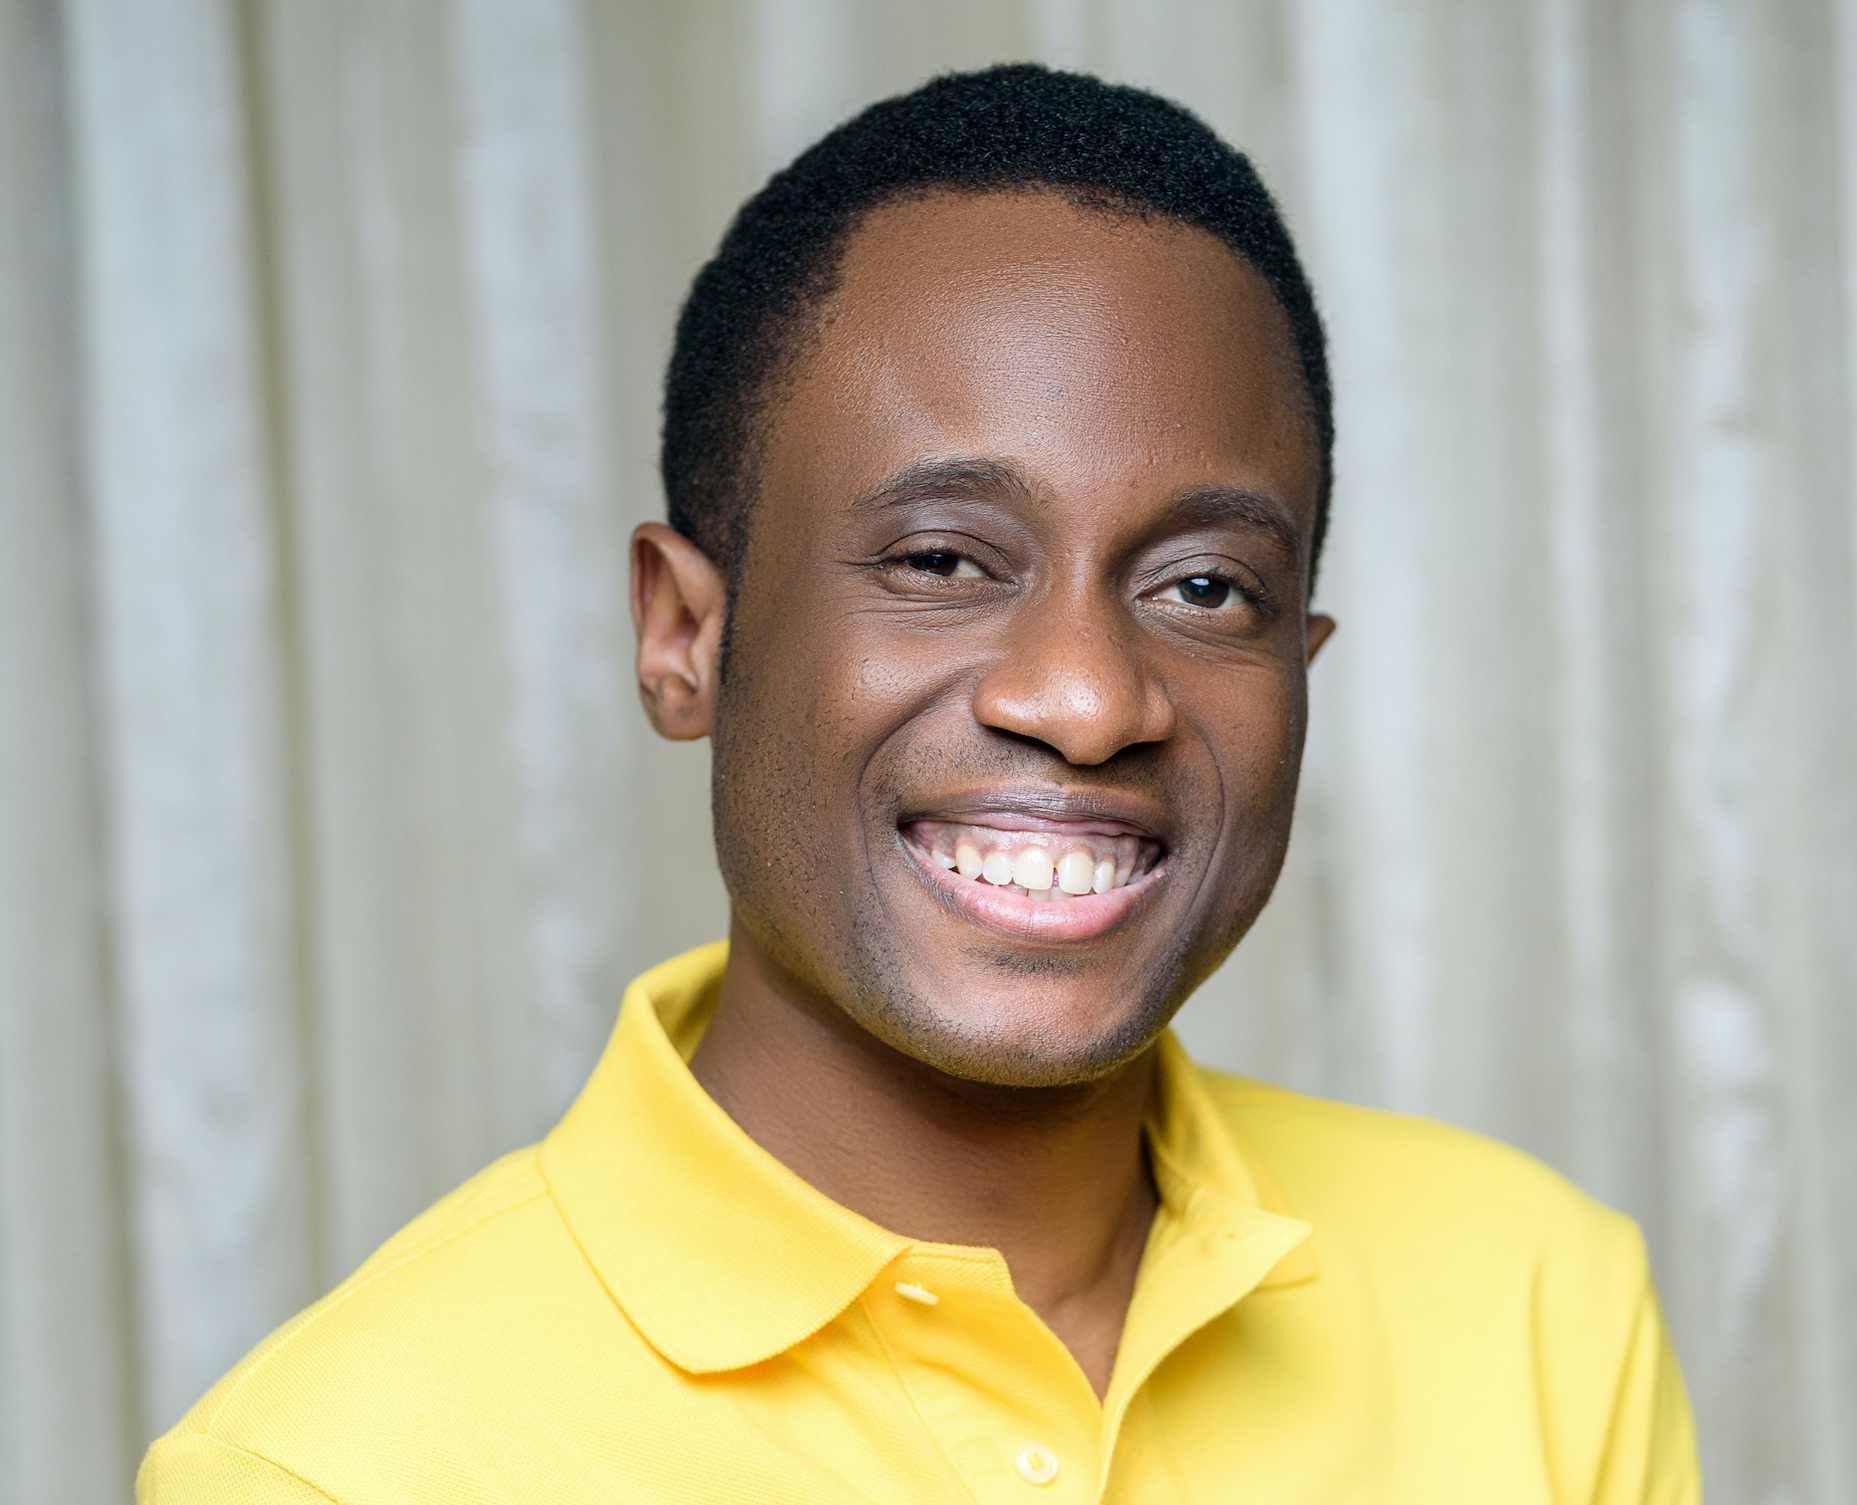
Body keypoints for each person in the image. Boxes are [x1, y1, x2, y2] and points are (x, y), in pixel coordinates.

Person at [140, 64, 1699, 1503]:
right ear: (686, 636)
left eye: (1208, 589)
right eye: (943, 559)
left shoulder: (1537, 1304)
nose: (1088, 701)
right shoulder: (324, 1469)